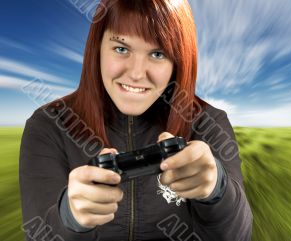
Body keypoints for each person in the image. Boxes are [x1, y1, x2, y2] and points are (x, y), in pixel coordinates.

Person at [19, 0, 253, 240]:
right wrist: (69, 218)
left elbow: (239, 236)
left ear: (179, 62)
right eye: (121, 48)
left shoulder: (208, 122)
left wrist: (217, 190)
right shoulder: (48, 125)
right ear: (97, 47)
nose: (137, 73)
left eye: (158, 53)